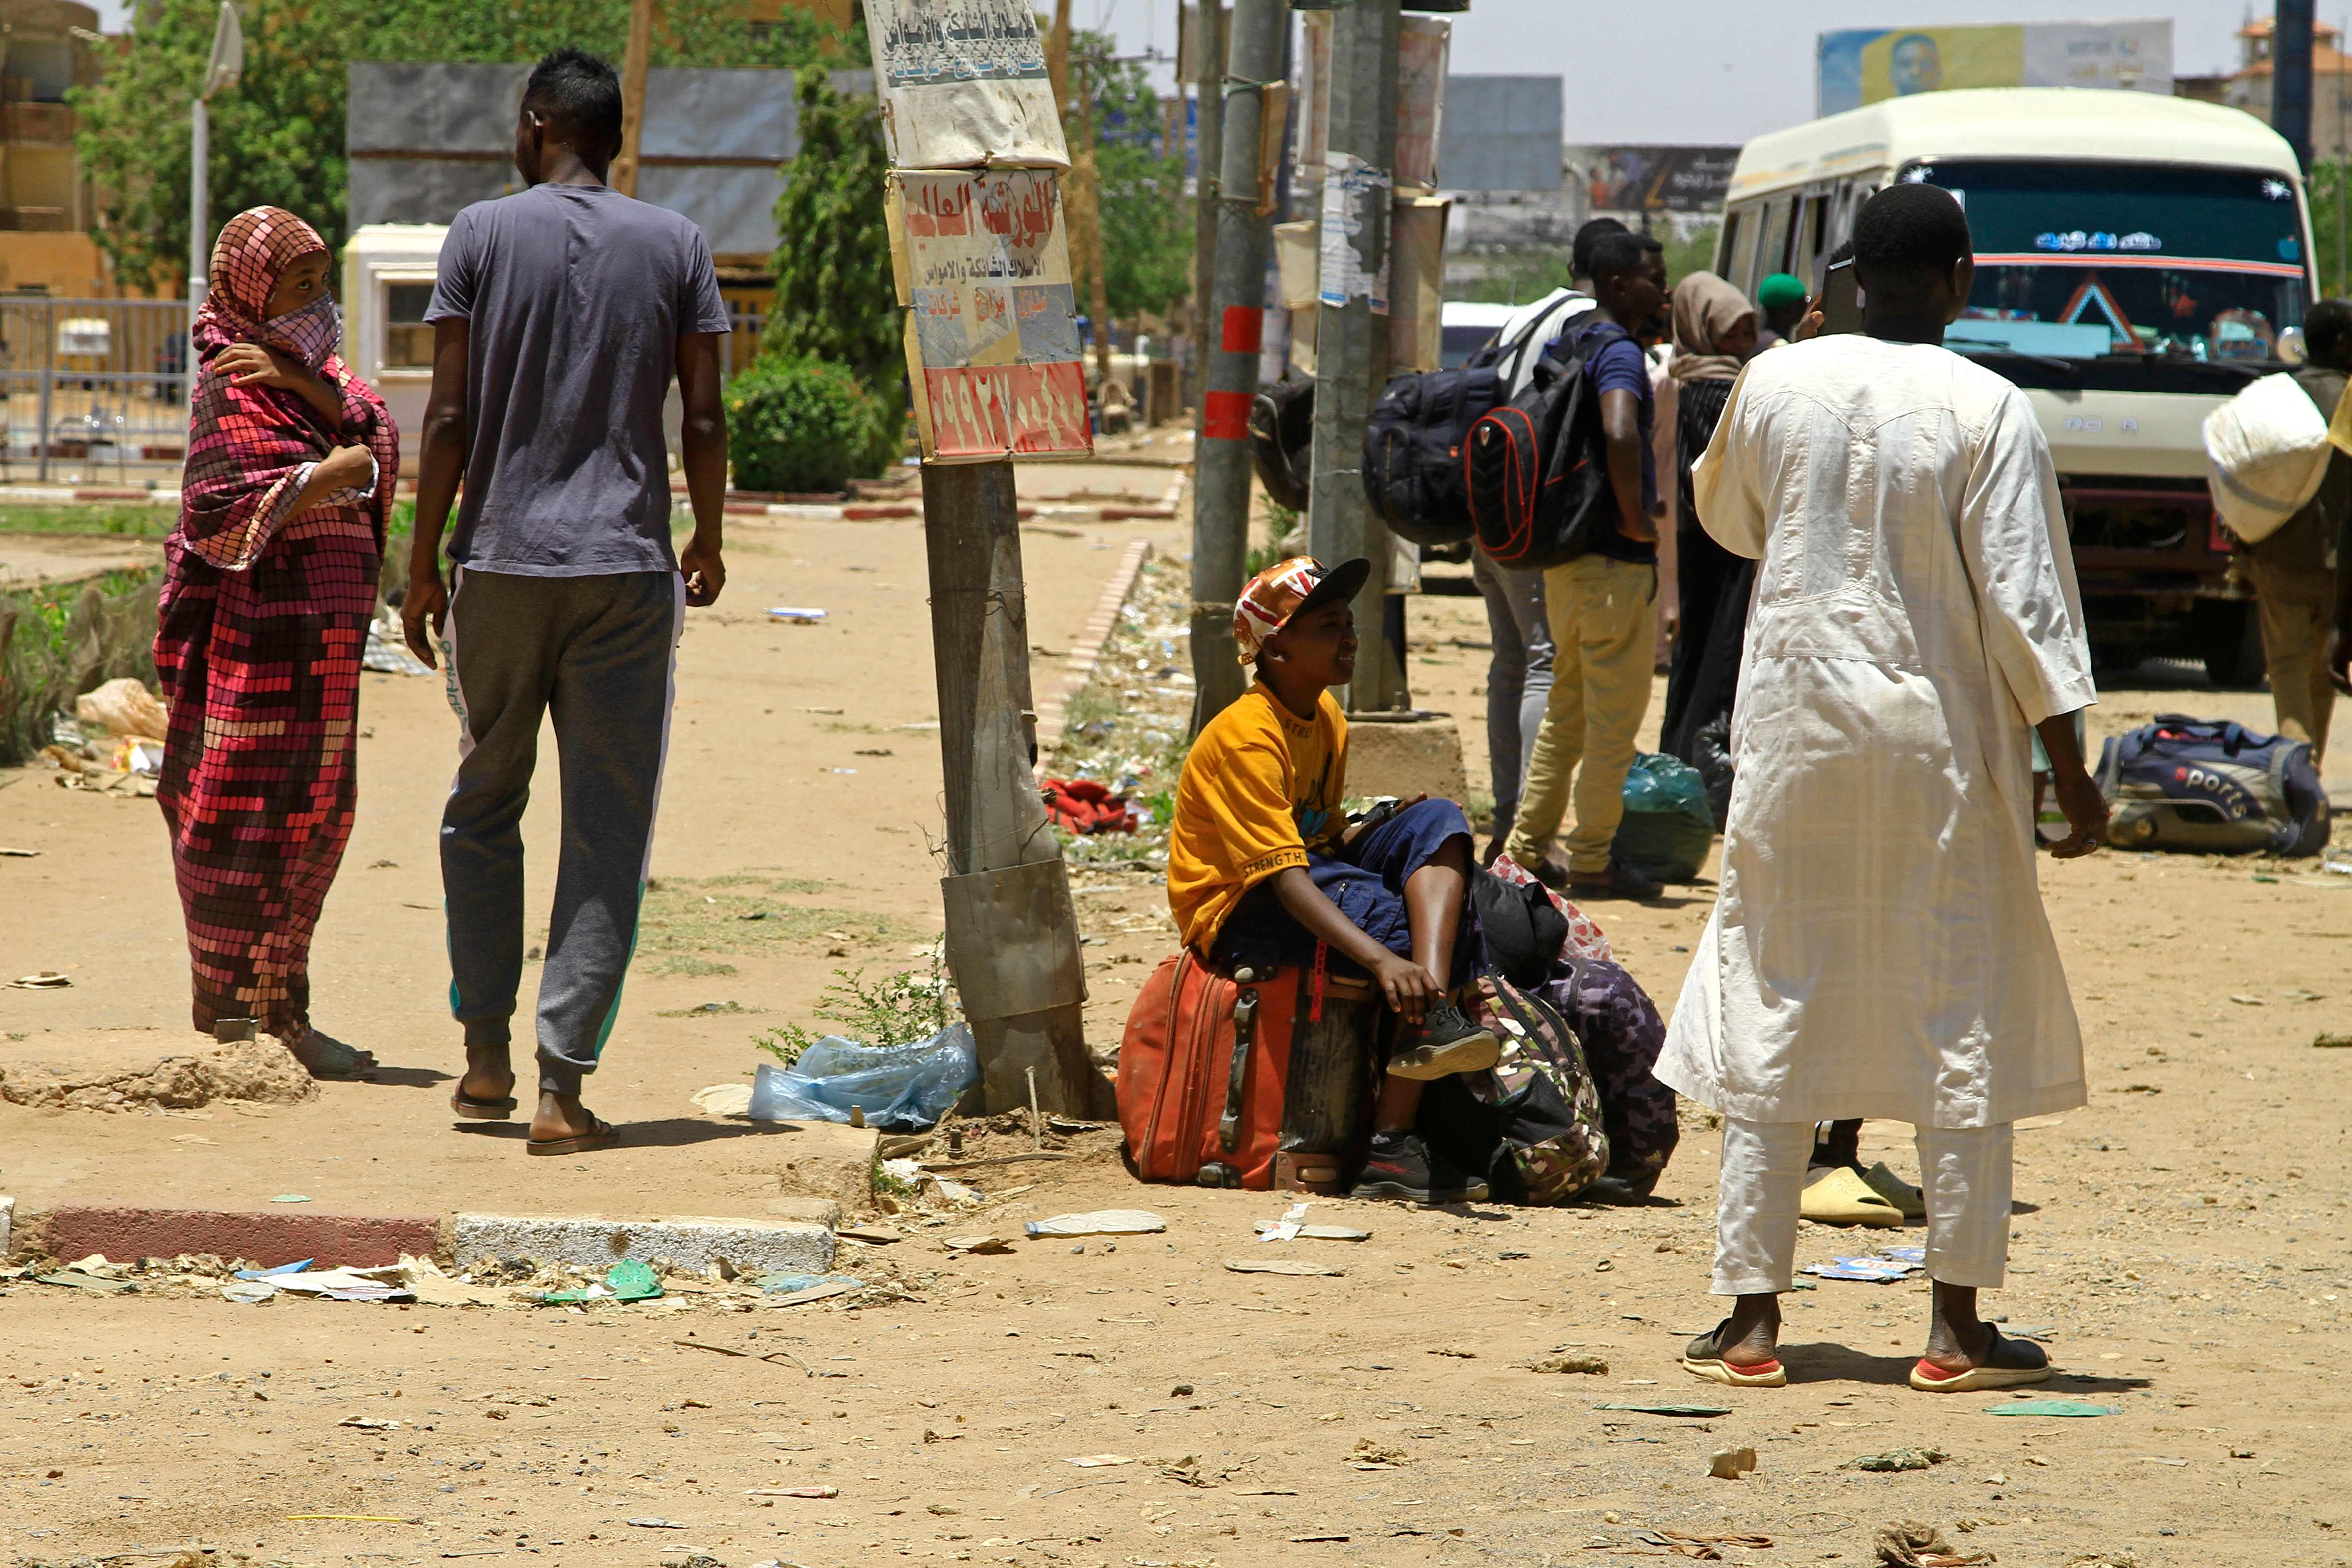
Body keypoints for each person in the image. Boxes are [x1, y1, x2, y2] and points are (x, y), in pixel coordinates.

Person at [1658, 182, 2109, 1393]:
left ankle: (1750, 1319)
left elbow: (1732, 519)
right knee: (1957, 1002)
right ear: (1961, 280)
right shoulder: (1990, 407)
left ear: (1854, 277)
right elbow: (2028, 611)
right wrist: (2076, 778)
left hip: (1796, 740)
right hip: (1943, 752)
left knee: (1774, 987)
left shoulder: (1777, 384)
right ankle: (1955, 1330)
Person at [401, 47, 732, 1155]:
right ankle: (560, 1085)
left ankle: (483, 1052)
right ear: (611, 136)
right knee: (604, 826)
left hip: (498, 568)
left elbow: (445, 419)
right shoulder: (678, 243)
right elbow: (705, 417)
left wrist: (421, 561)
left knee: (483, 801)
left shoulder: (481, 235)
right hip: (626, 573)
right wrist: (710, 534)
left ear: (538, 125)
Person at [1167, 557, 1501, 1205]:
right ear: (1276, 648)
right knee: (1396, 922)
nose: (1348, 636)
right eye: (1327, 625)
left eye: (1347, 622)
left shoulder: (1327, 721)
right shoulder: (1244, 734)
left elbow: (1319, 835)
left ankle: (1427, 1013)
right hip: (1239, 908)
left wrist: (1384, 824)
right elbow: (1286, 878)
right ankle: (1391, 1146)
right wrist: (1380, 960)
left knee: (1438, 821)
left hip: (1304, 868)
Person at [154, 207, 400, 1080]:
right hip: (256, 657)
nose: (315, 300)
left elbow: (381, 435)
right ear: (250, 292)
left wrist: (311, 396)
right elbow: (215, 510)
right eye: (296, 285)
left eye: (319, 281)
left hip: (325, 663)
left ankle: (286, 1018)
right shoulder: (230, 382)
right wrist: (323, 476)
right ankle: (227, 1029)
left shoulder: (311, 377)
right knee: (237, 824)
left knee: (314, 825)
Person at [1502, 231, 1671, 899]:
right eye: (1653, 279)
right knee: (1611, 725)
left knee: (1565, 713)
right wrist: (1634, 517)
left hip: (1567, 563)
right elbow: (1620, 430)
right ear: (1618, 285)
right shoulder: (1622, 354)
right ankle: (1593, 858)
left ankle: (1524, 847)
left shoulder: (1569, 343)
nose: (1663, 291)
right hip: (1611, 564)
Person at [1465, 219, 1631, 860]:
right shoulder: (1592, 324)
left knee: (1510, 664)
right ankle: (1535, 836)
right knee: (1544, 664)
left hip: (1488, 510)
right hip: (1538, 519)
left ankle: (1509, 818)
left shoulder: (1522, 317)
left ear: (1571, 266)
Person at [1657, 272, 1759, 770]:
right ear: (1702, 329)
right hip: (1724, 543)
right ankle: (1703, 766)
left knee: (1691, 657)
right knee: (1720, 655)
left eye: (1747, 333)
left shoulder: (1680, 376)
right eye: (1731, 334)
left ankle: (1676, 756)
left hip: (1695, 539)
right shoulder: (1722, 389)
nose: (1742, 345)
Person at [2247, 298, 2352, 763]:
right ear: (2343, 345)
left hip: (2279, 560)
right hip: (2338, 568)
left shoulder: (2272, 395)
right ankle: (2305, 778)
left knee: (2288, 673)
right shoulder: (2347, 400)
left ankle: (2300, 780)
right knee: (2320, 677)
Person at [1754, 273, 1809, 351]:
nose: (1807, 305)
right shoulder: (1780, 347)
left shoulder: (1757, 342)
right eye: (1805, 301)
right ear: (1786, 311)